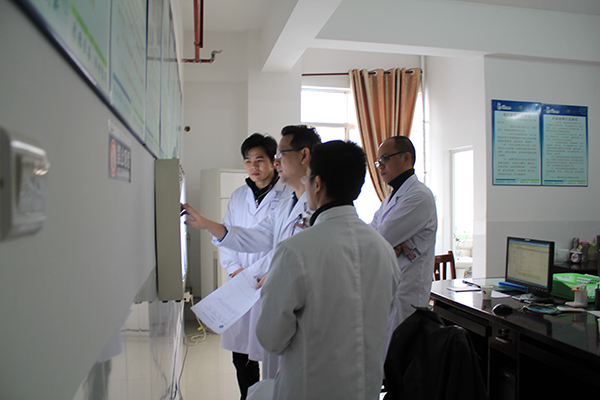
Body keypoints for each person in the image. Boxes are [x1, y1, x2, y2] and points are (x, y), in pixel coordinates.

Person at [253, 140, 401, 400]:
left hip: (309, 390)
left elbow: (271, 339)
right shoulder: (383, 250)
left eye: (307, 178)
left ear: (317, 184)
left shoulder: (295, 251)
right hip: (365, 391)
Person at [181, 125, 321, 378]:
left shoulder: (314, 203)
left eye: (279, 154)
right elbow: (253, 237)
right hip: (254, 283)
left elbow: (305, 257)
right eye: (248, 161)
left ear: (304, 155)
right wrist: (206, 224)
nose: (276, 161)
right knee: (258, 365)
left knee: (288, 371)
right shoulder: (285, 204)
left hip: (286, 297)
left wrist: (271, 273)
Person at [218, 133, 292, 400]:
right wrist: (235, 270)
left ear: (273, 161)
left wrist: (258, 273)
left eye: (259, 159)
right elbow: (227, 235)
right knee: (241, 355)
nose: (253, 166)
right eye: (248, 161)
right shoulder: (239, 195)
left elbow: (283, 241)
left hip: (269, 280)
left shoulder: (288, 194)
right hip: (240, 282)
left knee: (272, 352)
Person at [369, 136, 437, 352]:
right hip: (391, 284)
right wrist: (387, 243)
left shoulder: (419, 196)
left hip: (408, 289)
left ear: (406, 158)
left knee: (401, 353)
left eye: (385, 159)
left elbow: (380, 237)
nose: (380, 167)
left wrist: (386, 242)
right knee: (387, 350)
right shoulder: (391, 198)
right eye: (378, 162)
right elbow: (372, 232)